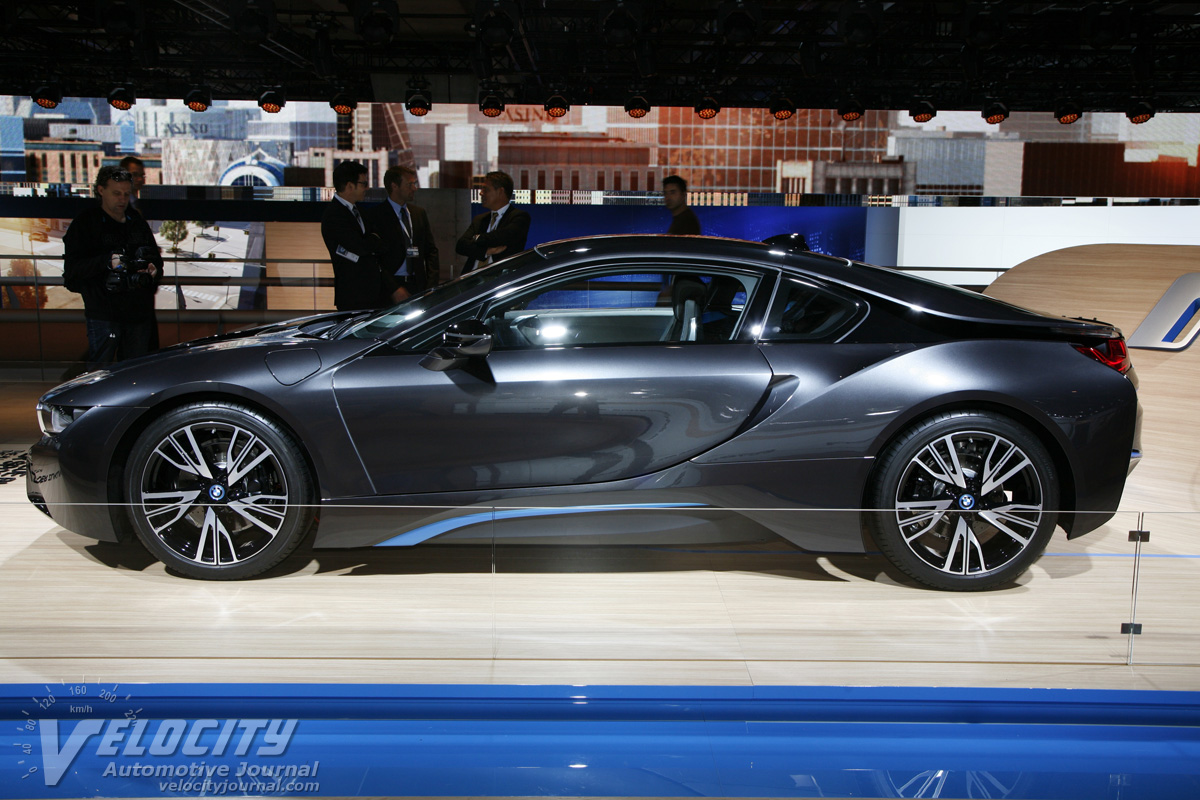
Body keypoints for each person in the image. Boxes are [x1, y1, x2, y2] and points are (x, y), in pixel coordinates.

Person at [63, 166, 163, 368]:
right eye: (116, 193)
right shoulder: (85, 224)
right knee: (100, 373)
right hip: (104, 315)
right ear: (101, 190)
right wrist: (106, 262)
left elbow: (155, 260)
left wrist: (154, 270)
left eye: (126, 194)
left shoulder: (136, 222)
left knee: (136, 372)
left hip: (138, 314)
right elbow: (72, 273)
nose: (122, 199)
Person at [321, 161, 401, 311]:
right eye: (363, 184)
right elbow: (359, 247)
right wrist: (372, 241)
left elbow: (381, 243)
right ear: (350, 186)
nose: (367, 188)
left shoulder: (361, 212)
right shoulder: (334, 215)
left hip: (375, 293)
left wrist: (371, 242)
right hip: (352, 295)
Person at [365, 165, 440, 299]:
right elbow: (375, 259)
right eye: (409, 184)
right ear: (394, 186)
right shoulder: (376, 215)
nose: (414, 188)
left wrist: (431, 285)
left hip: (419, 286)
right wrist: (393, 288)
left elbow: (431, 251)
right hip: (390, 289)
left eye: (414, 184)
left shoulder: (418, 213)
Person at [456, 170, 531, 274]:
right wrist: (487, 251)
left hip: (499, 279)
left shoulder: (519, 217)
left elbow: (501, 237)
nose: (481, 193)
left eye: (486, 189)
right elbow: (461, 246)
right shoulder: (480, 219)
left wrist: (477, 238)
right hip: (471, 278)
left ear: (500, 191)